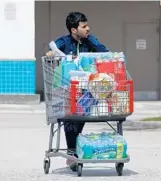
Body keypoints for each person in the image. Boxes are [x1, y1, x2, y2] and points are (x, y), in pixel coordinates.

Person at [46, 12, 109, 170]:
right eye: (84, 26)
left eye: (87, 25)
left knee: (79, 117)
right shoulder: (65, 42)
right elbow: (53, 47)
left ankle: (73, 151)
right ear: (74, 30)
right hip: (67, 89)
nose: (88, 29)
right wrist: (52, 53)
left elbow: (104, 52)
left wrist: (91, 39)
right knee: (70, 118)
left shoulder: (89, 42)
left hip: (86, 90)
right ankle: (72, 152)